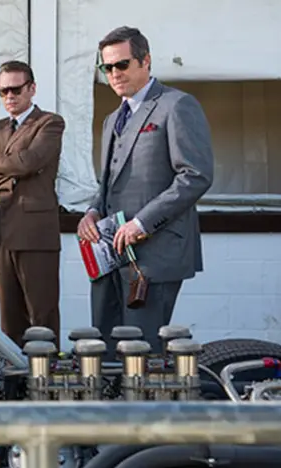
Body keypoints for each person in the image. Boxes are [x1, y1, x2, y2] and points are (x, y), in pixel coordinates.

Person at [76, 26, 214, 353]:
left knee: (141, 355)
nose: (114, 74)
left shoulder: (177, 105)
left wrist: (142, 223)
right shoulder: (112, 119)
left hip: (155, 254)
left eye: (121, 64)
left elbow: (195, 176)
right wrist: (93, 211)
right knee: (104, 352)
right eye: (106, 67)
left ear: (146, 61)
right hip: (111, 256)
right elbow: (109, 183)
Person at [0, 60, 66, 349]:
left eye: (15, 89)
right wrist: (10, 179)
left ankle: (45, 381)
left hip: (35, 232)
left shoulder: (49, 122)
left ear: (32, 89)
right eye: (2, 91)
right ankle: (16, 381)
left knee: (42, 314)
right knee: (9, 318)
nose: (9, 96)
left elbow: (30, 162)